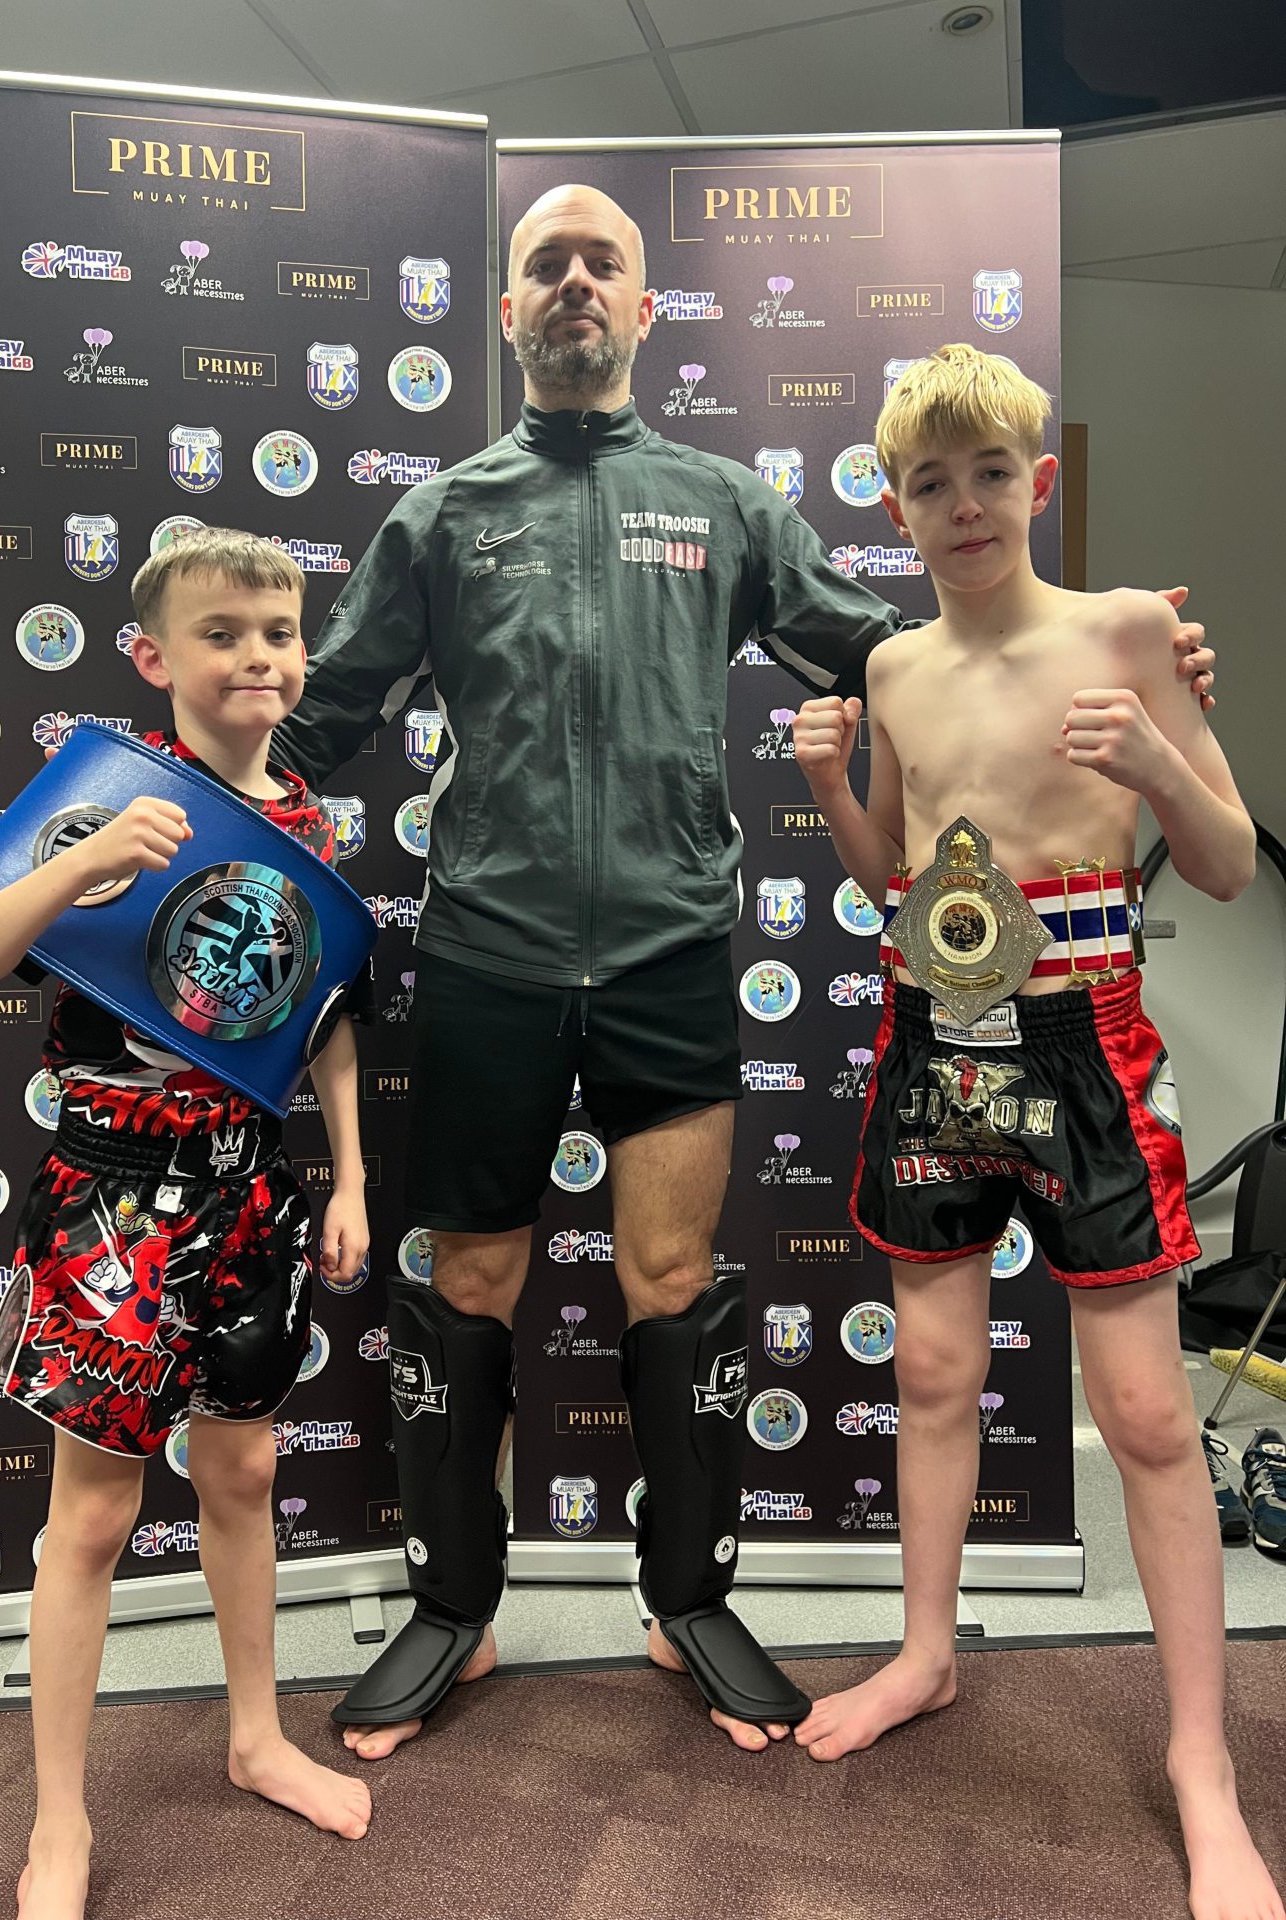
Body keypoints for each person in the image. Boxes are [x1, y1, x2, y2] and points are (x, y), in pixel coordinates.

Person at [274, 184, 1216, 1761]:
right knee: (474, 1285)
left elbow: (908, 651)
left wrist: (1133, 660)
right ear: (508, 313)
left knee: (666, 1284)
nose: (574, 285)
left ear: (648, 313)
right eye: (545, 267)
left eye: (604, 266)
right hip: (491, 950)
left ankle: (688, 1598)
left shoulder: (723, 502)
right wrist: (174, 823)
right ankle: (453, 1609)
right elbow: (315, 730)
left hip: (664, 952)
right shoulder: (437, 516)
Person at [791, 344, 1280, 1920]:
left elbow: (1218, 862)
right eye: (928, 482)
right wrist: (828, 800)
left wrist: (1151, 756)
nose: (963, 504)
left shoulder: (1129, 630)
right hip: (936, 1034)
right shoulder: (887, 670)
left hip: (1085, 1039)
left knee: (1145, 1413)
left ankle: (1201, 1762)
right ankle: (927, 1654)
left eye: (989, 472)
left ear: (1038, 482)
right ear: (894, 506)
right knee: (933, 1374)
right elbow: (891, 874)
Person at [0, 529, 375, 1920]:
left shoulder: (303, 823)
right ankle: (58, 1821)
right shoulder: (97, 791)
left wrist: (350, 1174)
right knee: (94, 1521)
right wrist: (89, 859)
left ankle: (254, 1737)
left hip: (251, 1185)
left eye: (282, 631)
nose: (261, 657)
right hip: (110, 1188)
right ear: (155, 658)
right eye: (226, 631)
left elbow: (321, 1014)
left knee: (241, 1478)